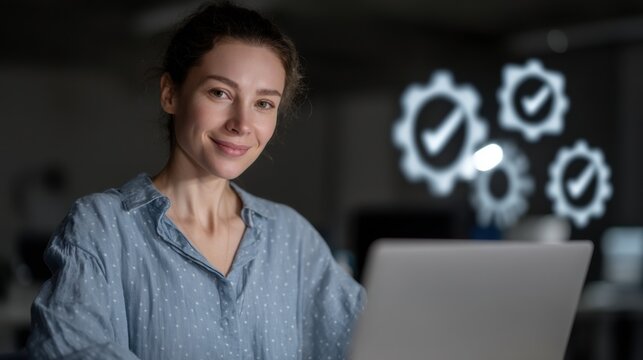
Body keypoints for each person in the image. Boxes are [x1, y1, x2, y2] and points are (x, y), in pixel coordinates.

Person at [26, 2, 365, 359]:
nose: (241, 123)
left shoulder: (292, 238)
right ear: (170, 94)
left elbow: (374, 341)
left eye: (264, 104)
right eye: (220, 93)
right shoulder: (102, 227)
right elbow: (70, 349)